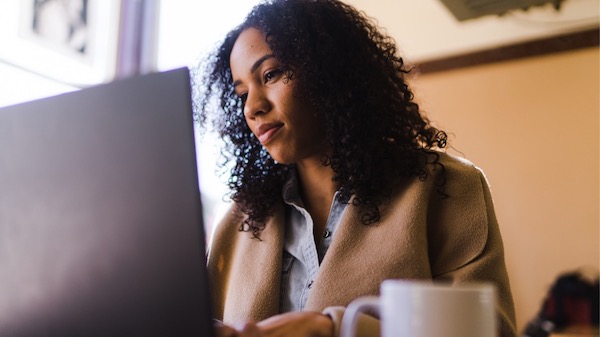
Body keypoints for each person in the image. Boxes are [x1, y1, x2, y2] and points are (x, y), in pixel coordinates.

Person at [194, 0, 517, 336]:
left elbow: (488, 330)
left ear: (329, 70)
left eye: (271, 74)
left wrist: (337, 329)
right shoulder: (238, 223)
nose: (253, 107)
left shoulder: (446, 188)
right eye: (242, 92)